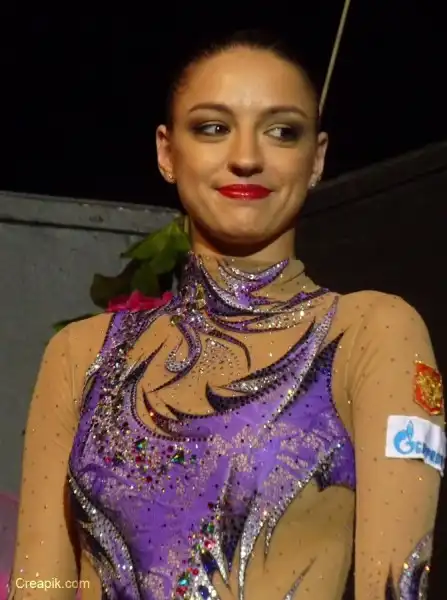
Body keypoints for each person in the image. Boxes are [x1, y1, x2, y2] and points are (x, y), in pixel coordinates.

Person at [7, 29, 445, 600]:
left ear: (316, 159)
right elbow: (40, 582)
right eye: (213, 128)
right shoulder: (80, 353)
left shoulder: (369, 333)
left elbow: (398, 586)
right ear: (167, 153)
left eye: (281, 131)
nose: (246, 157)